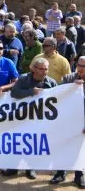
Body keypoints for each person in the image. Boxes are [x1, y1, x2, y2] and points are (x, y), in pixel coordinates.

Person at [4, 58, 56, 179]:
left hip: (39, 119)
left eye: (46, 69)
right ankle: (13, 168)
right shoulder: (23, 78)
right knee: (18, 142)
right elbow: (14, 93)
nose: (44, 71)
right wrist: (31, 91)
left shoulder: (51, 82)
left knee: (33, 143)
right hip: (22, 118)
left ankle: (30, 168)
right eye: (41, 69)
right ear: (33, 69)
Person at [50, 56, 85, 187]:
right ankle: (60, 173)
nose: (80, 68)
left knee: (80, 149)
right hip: (67, 120)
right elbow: (58, 94)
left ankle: (79, 175)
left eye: (83, 66)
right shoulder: (68, 78)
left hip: (83, 121)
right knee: (63, 146)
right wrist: (71, 86)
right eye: (79, 65)